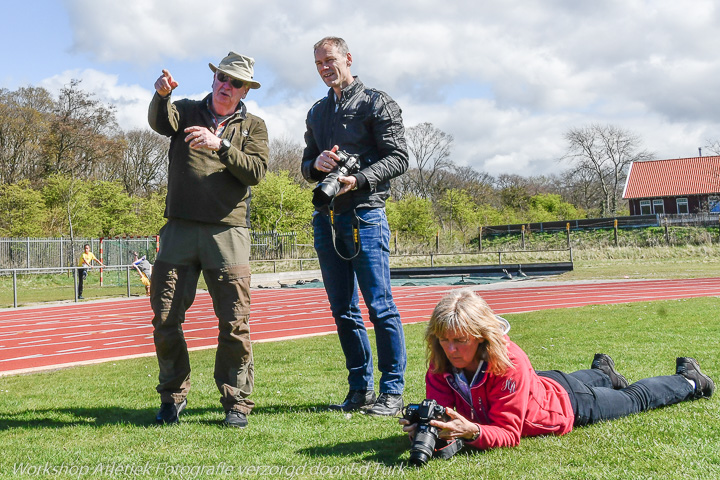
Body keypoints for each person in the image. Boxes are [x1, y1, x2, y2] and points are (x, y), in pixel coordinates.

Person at [400, 290, 714, 456]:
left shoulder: (509, 364)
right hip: (540, 383)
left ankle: (689, 379)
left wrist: (473, 432)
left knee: (632, 399)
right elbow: (446, 413)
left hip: (565, 403)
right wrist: (427, 427)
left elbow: (509, 434)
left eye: (460, 341)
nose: (451, 349)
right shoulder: (440, 364)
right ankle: (603, 372)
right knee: (562, 382)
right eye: (444, 340)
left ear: (481, 336)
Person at [148, 51, 268, 427]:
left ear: (245, 89)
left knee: (234, 321)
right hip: (180, 228)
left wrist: (221, 146)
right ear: (214, 78)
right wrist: (162, 95)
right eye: (222, 79)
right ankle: (172, 396)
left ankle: (236, 402)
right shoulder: (185, 110)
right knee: (166, 318)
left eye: (235, 83)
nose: (226, 87)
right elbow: (159, 122)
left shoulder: (255, 126)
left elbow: (256, 172)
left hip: (228, 231)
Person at [301, 36, 409, 416]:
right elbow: (305, 165)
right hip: (327, 218)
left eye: (330, 60)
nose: (325, 68)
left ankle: (392, 392)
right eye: (318, 63)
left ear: (348, 58)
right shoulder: (316, 112)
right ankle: (359, 390)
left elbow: (398, 157)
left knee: (380, 306)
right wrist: (318, 167)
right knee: (343, 309)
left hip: (366, 213)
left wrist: (358, 178)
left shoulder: (377, 102)